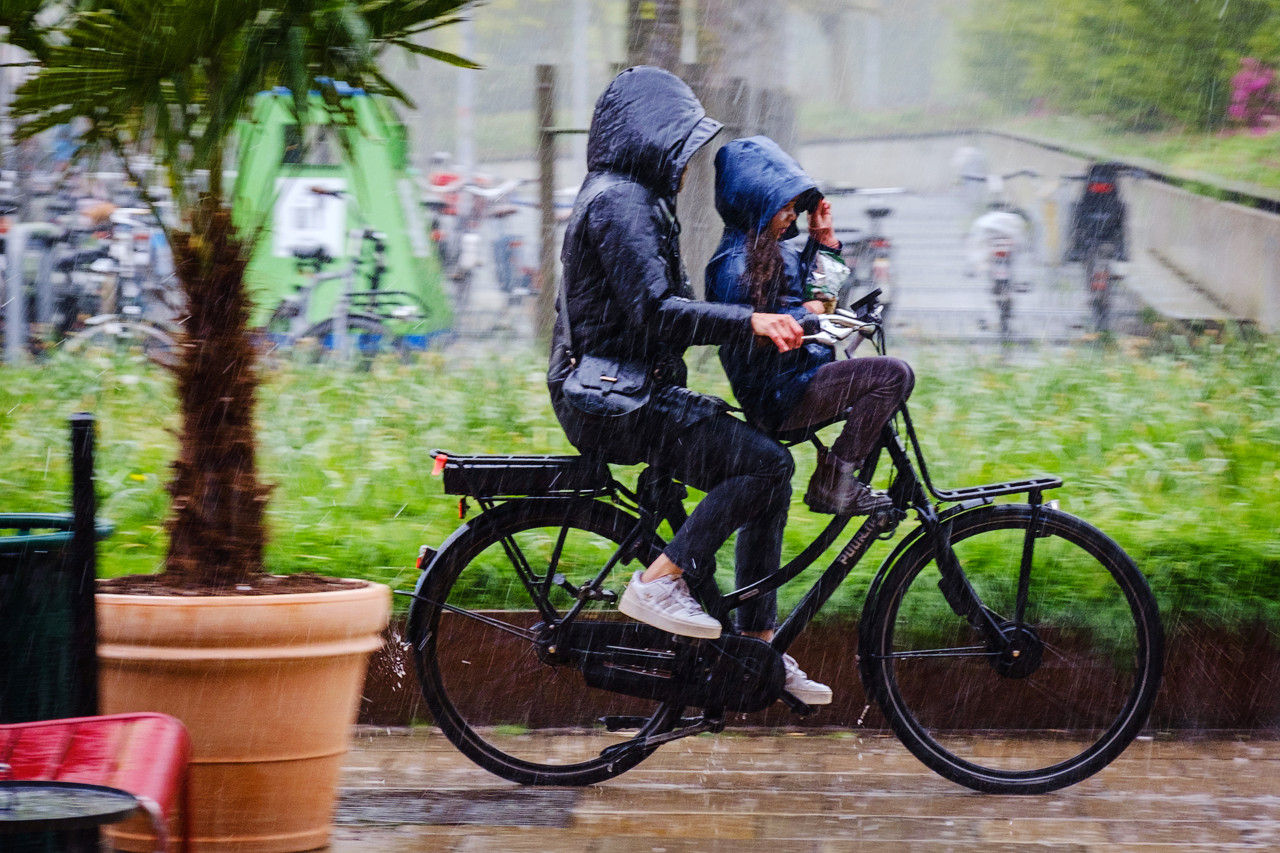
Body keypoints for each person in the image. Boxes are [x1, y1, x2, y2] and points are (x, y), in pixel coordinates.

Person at [547, 68, 831, 704]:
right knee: (765, 465)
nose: (684, 163)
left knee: (768, 475)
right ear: (650, 140)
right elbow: (657, 313)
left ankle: (757, 648)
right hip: (614, 401)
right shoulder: (620, 202)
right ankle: (661, 581)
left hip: (629, 392)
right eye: (679, 147)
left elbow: (660, 312)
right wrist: (749, 321)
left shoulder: (630, 198)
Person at [706, 135, 914, 518]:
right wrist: (811, 312)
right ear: (755, 204)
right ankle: (833, 482)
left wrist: (825, 242)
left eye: (794, 207)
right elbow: (755, 334)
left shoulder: (774, 249)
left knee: (886, 380)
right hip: (777, 393)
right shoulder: (733, 263)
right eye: (784, 207)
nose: (792, 216)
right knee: (892, 375)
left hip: (800, 379)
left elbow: (823, 300)